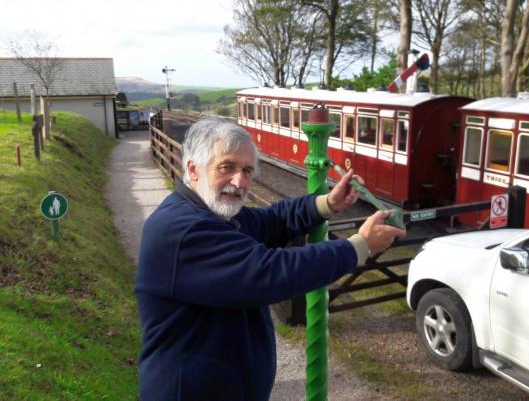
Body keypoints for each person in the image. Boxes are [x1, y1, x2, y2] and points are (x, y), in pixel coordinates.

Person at [135, 116, 405, 401]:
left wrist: (327, 203)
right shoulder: (183, 229)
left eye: (247, 170)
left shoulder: (208, 212)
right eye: (227, 167)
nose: (239, 181)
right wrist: (359, 246)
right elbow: (270, 272)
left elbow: (271, 221)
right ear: (194, 170)